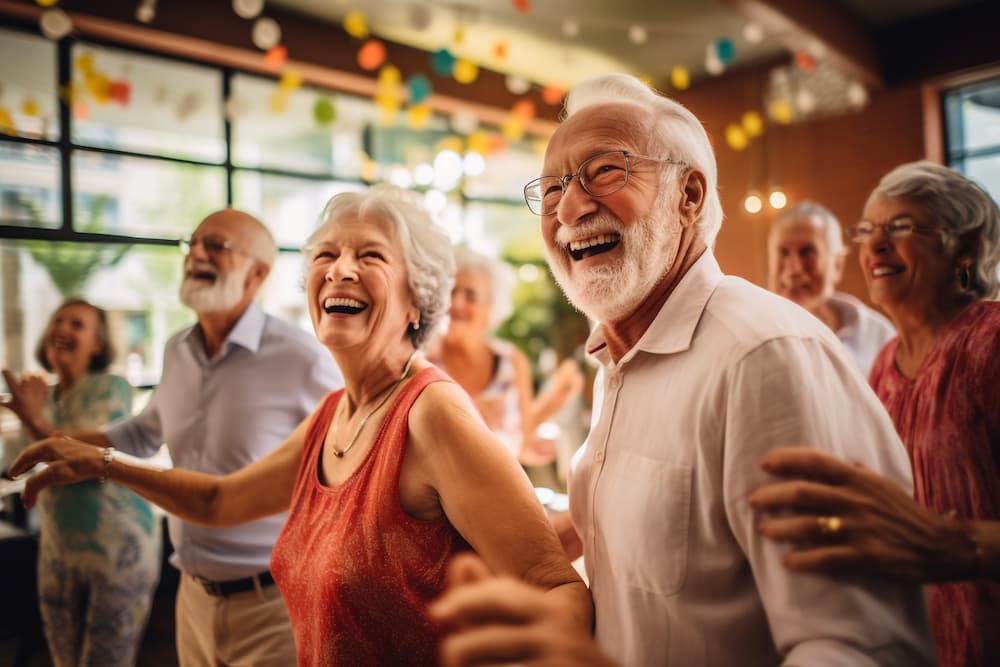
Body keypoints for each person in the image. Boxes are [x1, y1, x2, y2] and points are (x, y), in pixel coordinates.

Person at [430, 73, 935, 666]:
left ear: (688, 195)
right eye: (551, 188)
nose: (568, 206)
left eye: (605, 171)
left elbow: (858, 649)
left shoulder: (764, 357)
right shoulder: (617, 360)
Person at [9, 185, 592, 666]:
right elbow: (218, 501)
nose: (341, 270)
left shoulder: (433, 414)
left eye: (371, 256)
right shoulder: (334, 413)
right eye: (325, 255)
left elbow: (553, 583)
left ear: (418, 303)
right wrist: (103, 462)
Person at [4, 209, 343, 666]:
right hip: (192, 594)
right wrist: (58, 441)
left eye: (216, 246)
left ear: (257, 273)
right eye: (192, 243)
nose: (196, 254)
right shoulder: (177, 349)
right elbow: (143, 433)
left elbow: (346, 464)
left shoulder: (303, 359)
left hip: (274, 604)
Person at [752, 160, 1000, 667]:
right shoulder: (886, 365)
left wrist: (961, 545)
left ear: (965, 250)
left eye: (902, 228)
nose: (876, 246)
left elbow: (930, 537)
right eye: (868, 230)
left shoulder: (990, 342)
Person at [1, 299, 161, 667]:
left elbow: (82, 460)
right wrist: (28, 414)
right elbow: (14, 465)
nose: (63, 329)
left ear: (97, 345)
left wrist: (32, 417)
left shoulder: (113, 387)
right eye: (58, 321)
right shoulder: (44, 397)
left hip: (118, 553)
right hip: (58, 552)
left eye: (77, 324)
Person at [427, 247, 582, 465]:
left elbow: (522, 439)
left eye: (470, 295)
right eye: (450, 292)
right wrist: (468, 415)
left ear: (491, 307)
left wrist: (555, 399)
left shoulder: (511, 360)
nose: (456, 303)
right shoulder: (421, 359)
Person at [767, 201, 895, 376]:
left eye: (807, 252)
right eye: (783, 252)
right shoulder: (752, 335)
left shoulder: (878, 335)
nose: (794, 269)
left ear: (837, 265)